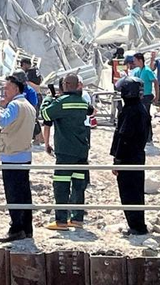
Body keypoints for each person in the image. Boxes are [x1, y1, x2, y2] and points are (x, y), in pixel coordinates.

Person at [0, 74, 35, 242]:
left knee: (13, 194)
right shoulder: (28, 105)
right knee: (24, 193)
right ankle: (27, 228)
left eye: (7, 88)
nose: (4, 91)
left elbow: (3, 121)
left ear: (16, 89)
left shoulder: (15, 105)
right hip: (24, 155)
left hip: (12, 156)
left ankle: (16, 229)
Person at [41, 73, 92, 231]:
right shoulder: (82, 102)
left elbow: (45, 114)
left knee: (61, 185)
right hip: (81, 150)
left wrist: (49, 99)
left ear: (65, 85)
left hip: (65, 151)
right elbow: (90, 111)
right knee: (78, 185)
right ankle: (77, 218)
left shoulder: (62, 102)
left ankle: (61, 221)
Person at [110, 78, 150, 235]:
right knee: (136, 192)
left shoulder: (130, 111)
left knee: (129, 193)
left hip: (128, 157)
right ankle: (138, 223)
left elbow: (124, 137)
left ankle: (136, 225)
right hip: (137, 155)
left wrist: (117, 159)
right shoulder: (140, 109)